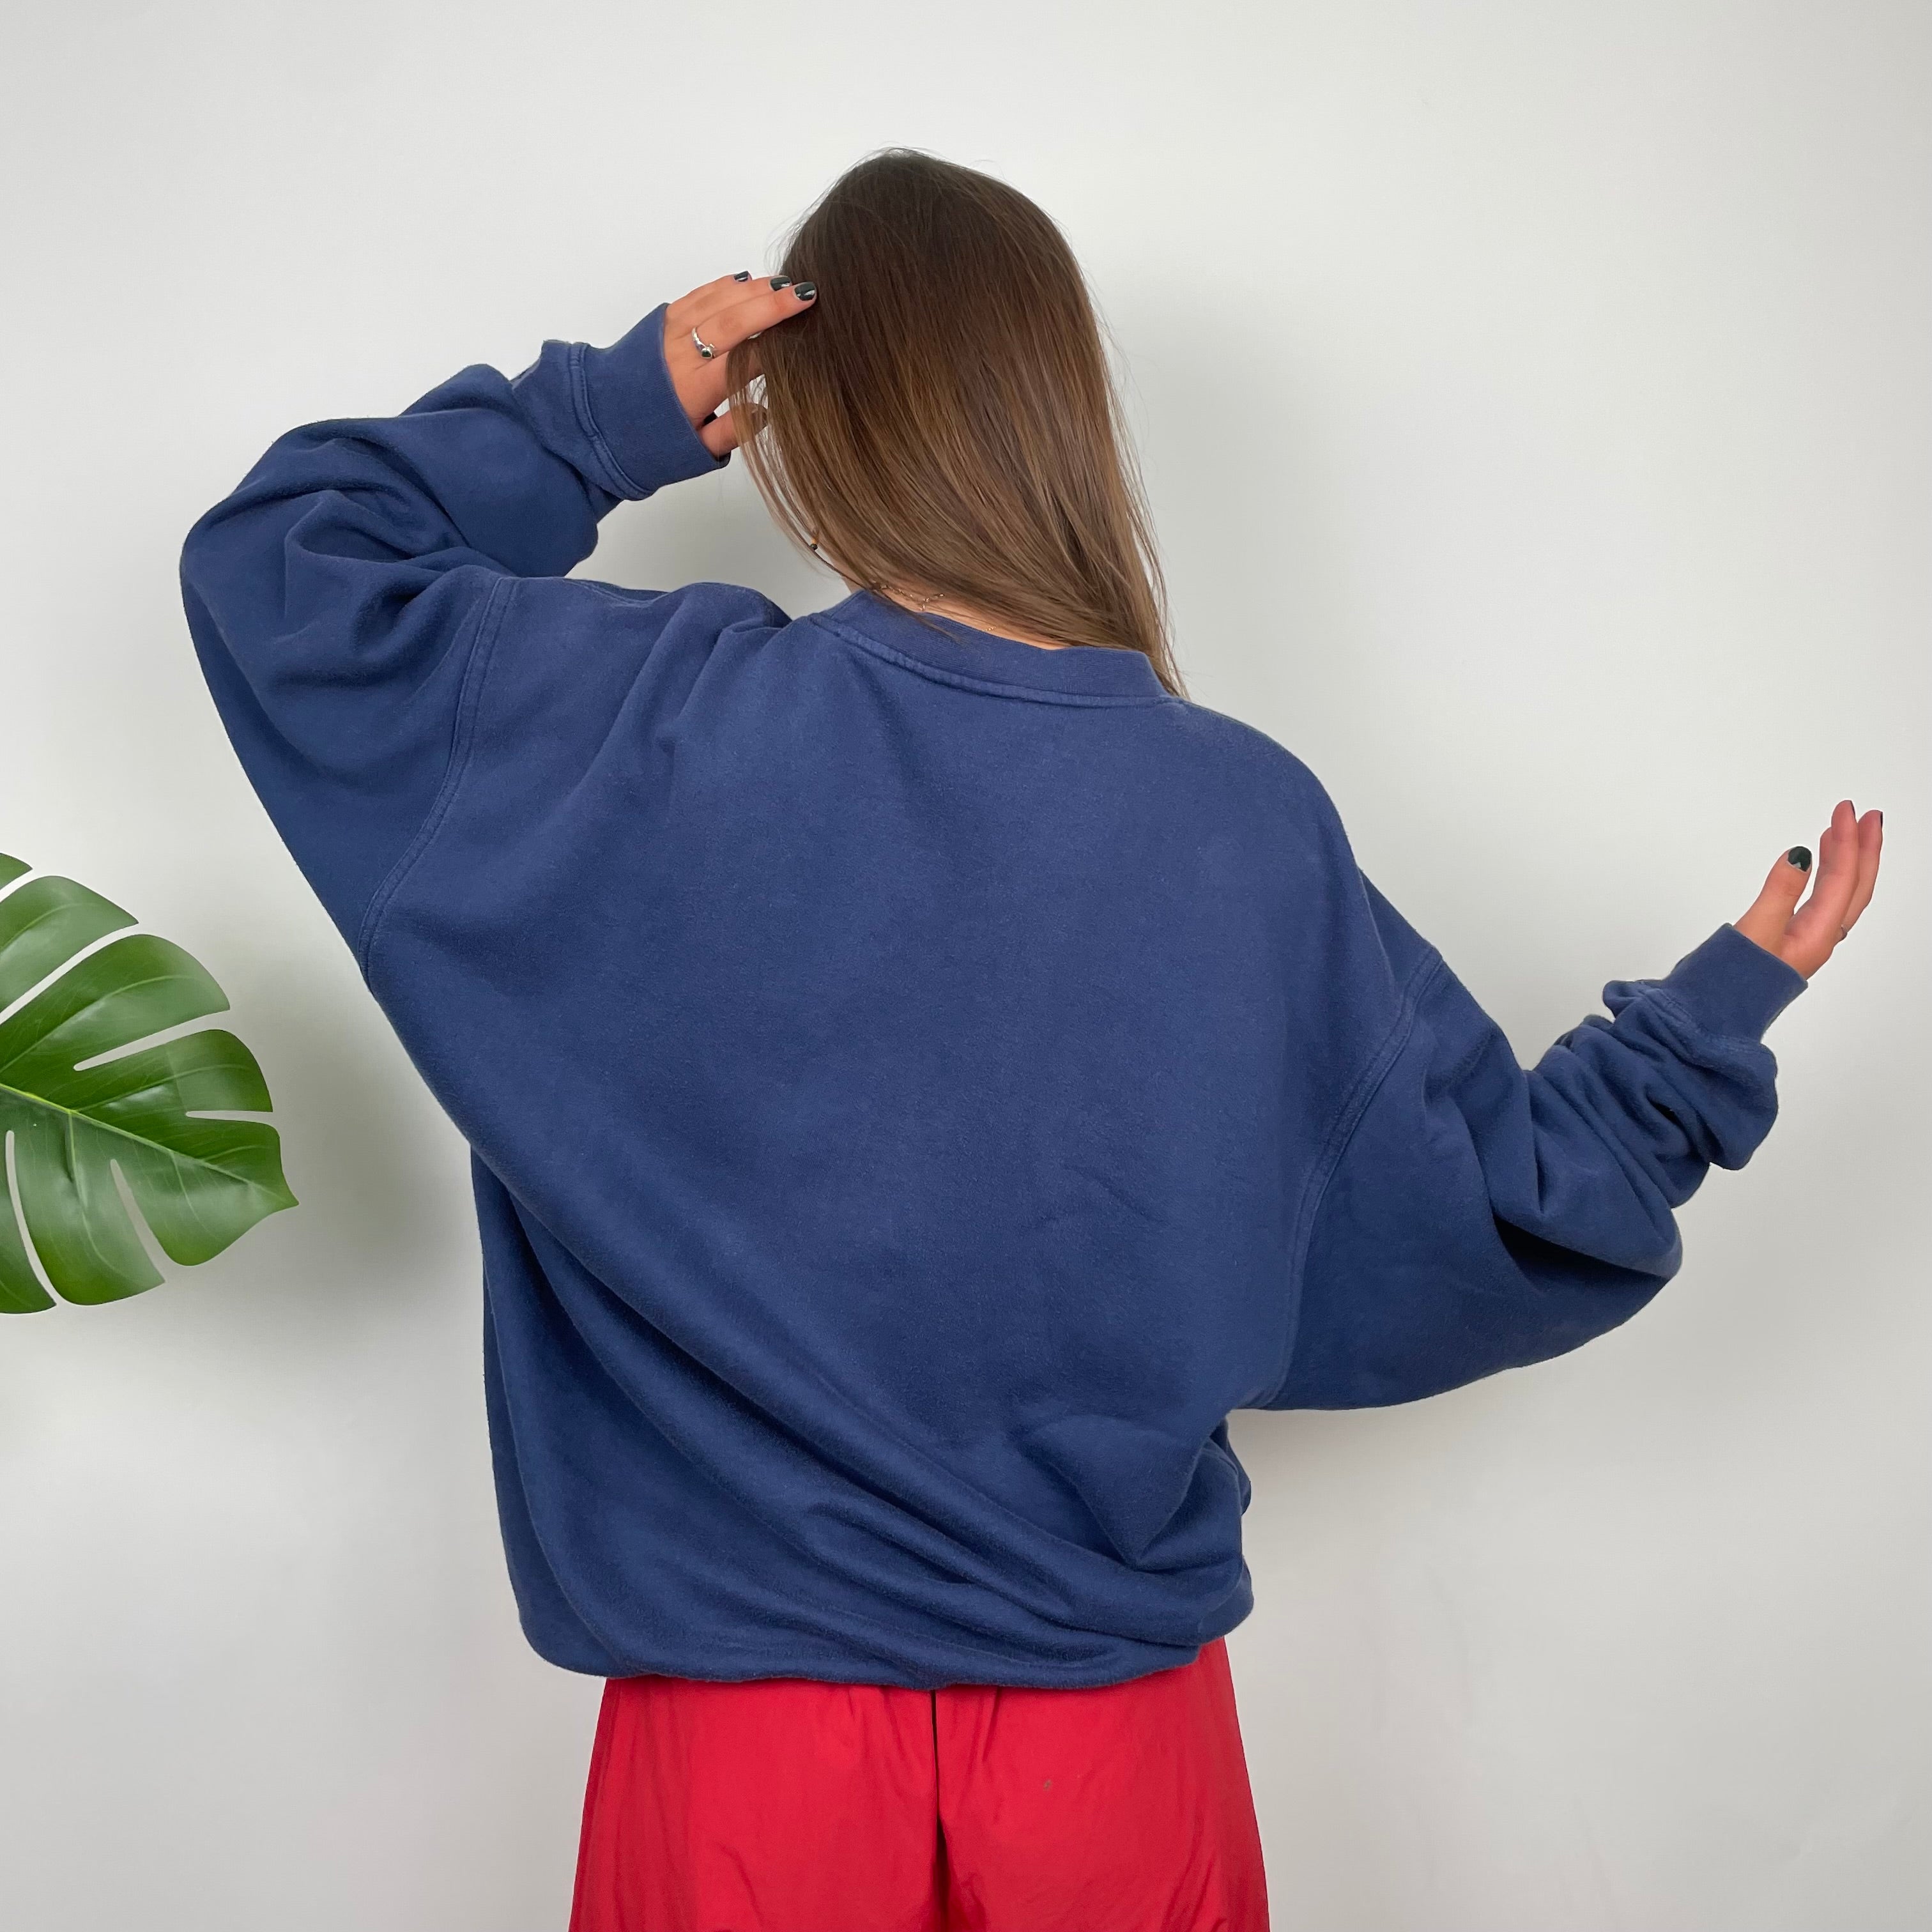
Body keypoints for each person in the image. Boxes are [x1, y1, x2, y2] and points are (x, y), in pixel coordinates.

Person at [180, 148, 1882, 1932]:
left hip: (743, 1768)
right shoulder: (1234, 821)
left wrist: (599, 419)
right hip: (1115, 1762)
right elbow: (1497, 1218)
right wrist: (1702, 1034)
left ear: (811, 426)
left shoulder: (643, 731)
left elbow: (281, 575)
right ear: (1060, 419)